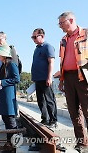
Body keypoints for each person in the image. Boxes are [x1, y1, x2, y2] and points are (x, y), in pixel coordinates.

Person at [58, 12, 88, 152]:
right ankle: (81, 143)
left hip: (84, 77)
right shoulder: (63, 40)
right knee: (74, 112)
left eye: (61, 23)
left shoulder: (86, 34)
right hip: (68, 78)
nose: (60, 26)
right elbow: (62, 61)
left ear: (71, 20)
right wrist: (62, 80)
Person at [0, 45, 20, 142]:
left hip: (8, 94)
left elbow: (16, 79)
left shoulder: (12, 64)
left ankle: (14, 142)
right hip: (3, 94)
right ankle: (9, 142)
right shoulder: (4, 65)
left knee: (10, 118)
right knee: (5, 117)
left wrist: (3, 82)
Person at [31, 28, 57, 128]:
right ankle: (45, 119)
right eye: (32, 37)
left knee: (49, 100)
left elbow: (51, 62)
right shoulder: (37, 48)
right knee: (40, 100)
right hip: (38, 79)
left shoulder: (48, 47)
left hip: (46, 78)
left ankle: (53, 121)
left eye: (35, 37)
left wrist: (49, 77)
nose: (33, 39)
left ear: (42, 36)